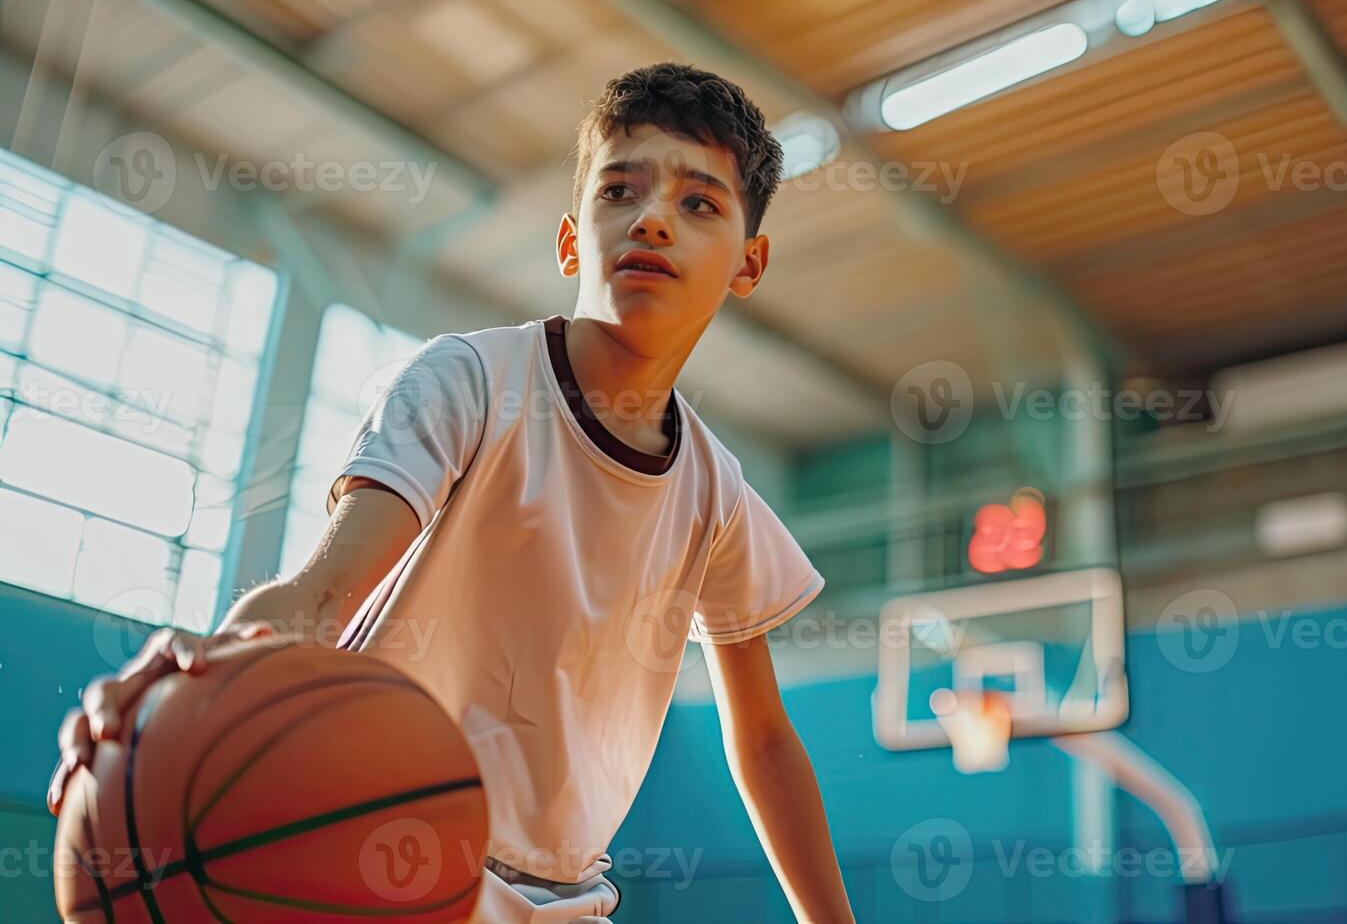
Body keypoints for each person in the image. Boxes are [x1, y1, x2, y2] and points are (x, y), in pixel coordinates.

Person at [49, 62, 856, 924]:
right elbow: (324, 589)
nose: (653, 217)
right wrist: (201, 671)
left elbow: (765, 736)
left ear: (749, 260)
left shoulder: (717, 493)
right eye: (620, 189)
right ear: (571, 238)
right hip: (366, 843)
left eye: (699, 203)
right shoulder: (468, 380)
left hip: (569, 897)